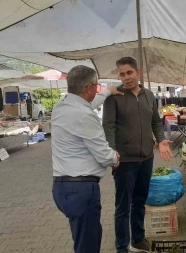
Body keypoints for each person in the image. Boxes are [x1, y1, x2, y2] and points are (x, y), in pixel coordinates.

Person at [102, 57, 172, 253]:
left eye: (129, 73)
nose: (126, 78)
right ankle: (122, 247)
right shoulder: (114, 97)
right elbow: (108, 125)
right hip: (124, 160)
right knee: (123, 206)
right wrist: (111, 150)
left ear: (138, 72)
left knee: (140, 200)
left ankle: (138, 239)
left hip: (146, 157)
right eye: (122, 74)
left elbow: (156, 123)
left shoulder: (149, 95)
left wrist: (160, 140)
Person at [51, 65, 122, 253]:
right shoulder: (84, 116)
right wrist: (114, 156)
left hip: (62, 187)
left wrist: (107, 92)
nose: (97, 89)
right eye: (97, 86)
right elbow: (103, 155)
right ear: (89, 87)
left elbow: (87, 103)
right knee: (88, 245)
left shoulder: (62, 107)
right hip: (81, 190)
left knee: (82, 237)